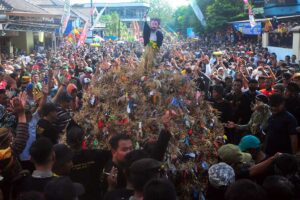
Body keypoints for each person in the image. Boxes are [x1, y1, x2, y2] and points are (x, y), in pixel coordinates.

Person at [66, 125, 111, 200]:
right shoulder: (97, 154)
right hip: (95, 195)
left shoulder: (63, 160)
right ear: (82, 139)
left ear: (68, 141)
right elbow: (113, 154)